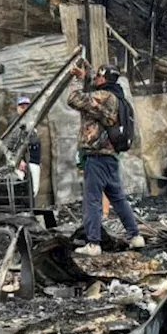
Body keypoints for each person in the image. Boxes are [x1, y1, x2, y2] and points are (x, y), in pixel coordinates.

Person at [67, 61, 140, 256]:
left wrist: (77, 80)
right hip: (111, 156)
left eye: (98, 76)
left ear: (104, 78)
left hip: (97, 156)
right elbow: (94, 88)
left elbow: (74, 99)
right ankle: (135, 236)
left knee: (92, 199)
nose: (96, 80)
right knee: (117, 197)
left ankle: (93, 243)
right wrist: (88, 73)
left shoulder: (104, 97)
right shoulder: (118, 96)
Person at [13, 96, 41, 198]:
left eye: (27, 106)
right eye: (22, 106)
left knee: (34, 190)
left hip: (34, 161)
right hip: (23, 162)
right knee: (24, 188)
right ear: (18, 108)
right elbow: (11, 145)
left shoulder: (33, 122)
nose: (25, 109)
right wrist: (19, 160)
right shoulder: (16, 125)